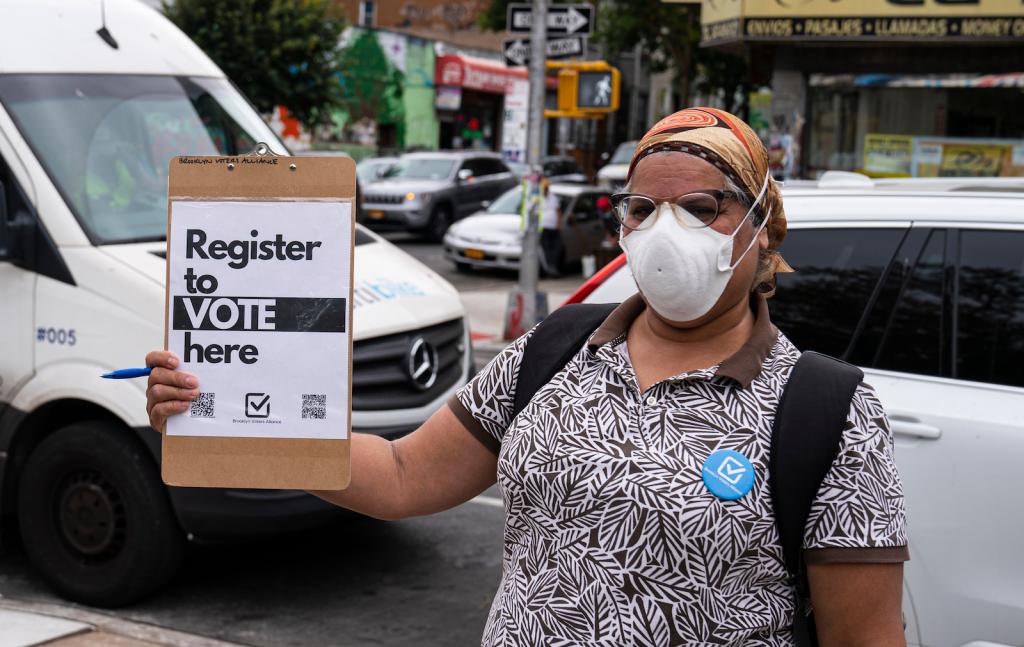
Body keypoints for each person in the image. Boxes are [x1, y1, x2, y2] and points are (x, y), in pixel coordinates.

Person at [146, 107, 908, 645]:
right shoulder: (557, 348)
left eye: (701, 207)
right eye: (642, 208)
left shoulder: (826, 411)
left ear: (761, 228)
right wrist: (231, 413)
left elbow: (865, 637)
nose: (664, 230)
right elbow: (407, 473)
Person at [537, 177, 563, 277]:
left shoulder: (552, 197)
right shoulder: (538, 197)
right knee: (546, 249)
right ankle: (549, 269)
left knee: (557, 247)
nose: (545, 190)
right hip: (543, 227)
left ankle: (553, 267)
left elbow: (558, 211)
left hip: (553, 227)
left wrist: (558, 224)